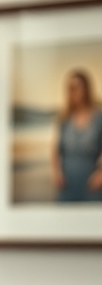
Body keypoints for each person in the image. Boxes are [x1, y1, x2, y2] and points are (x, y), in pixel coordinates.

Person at [52, 68, 102, 202]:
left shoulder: (98, 118)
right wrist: (57, 174)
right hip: (66, 184)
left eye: (77, 87)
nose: (73, 91)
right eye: (70, 88)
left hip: (91, 183)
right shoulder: (64, 119)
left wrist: (100, 175)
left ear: (86, 89)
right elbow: (56, 151)